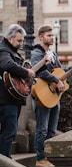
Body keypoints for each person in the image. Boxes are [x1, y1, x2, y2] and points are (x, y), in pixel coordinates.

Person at [31, 25, 66, 167]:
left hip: (53, 96)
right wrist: (56, 81)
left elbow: (60, 72)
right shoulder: (36, 53)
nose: (52, 37)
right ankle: (40, 159)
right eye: (49, 35)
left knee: (51, 130)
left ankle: (48, 158)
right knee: (42, 129)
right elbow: (39, 71)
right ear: (41, 37)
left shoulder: (53, 54)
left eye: (53, 35)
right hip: (42, 94)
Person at [0, 24, 38, 158]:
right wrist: (26, 72)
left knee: (9, 131)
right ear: (10, 38)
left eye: (23, 41)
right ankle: (5, 163)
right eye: (19, 40)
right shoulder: (3, 50)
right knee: (9, 131)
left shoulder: (12, 51)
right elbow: (7, 65)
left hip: (11, 98)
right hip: (5, 99)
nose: (22, 43)